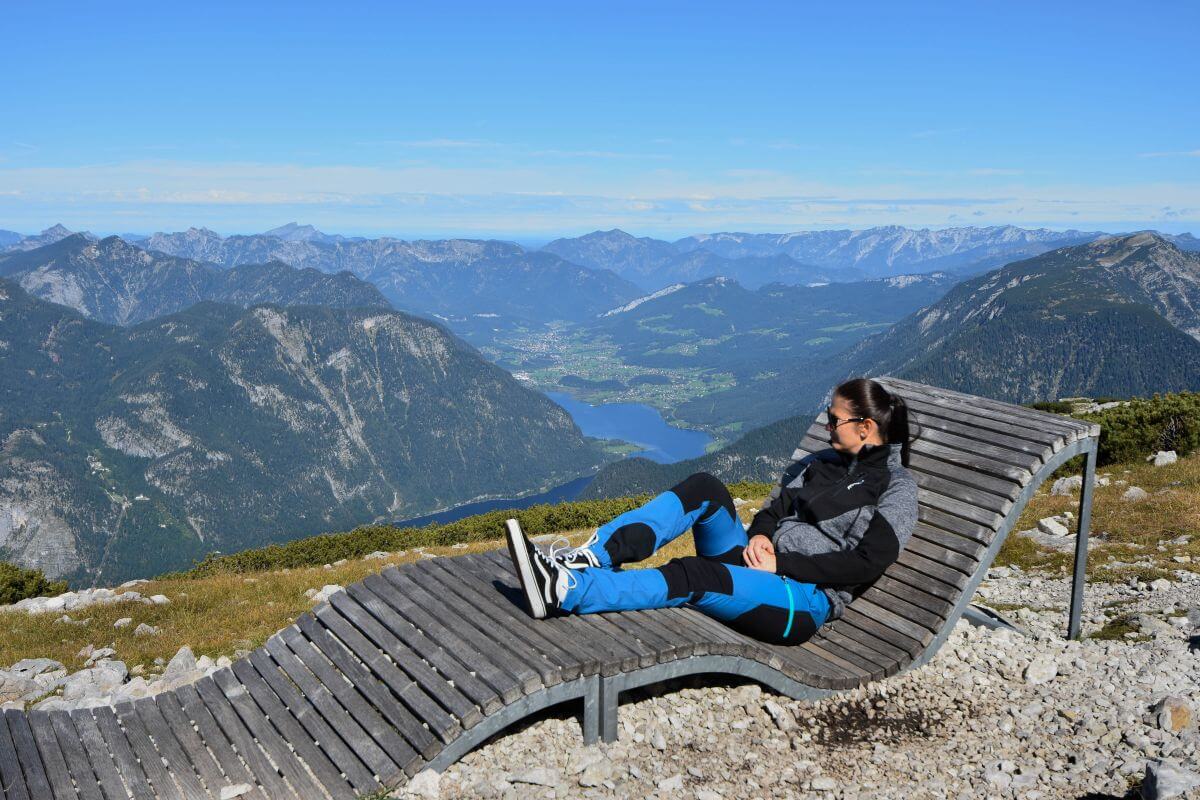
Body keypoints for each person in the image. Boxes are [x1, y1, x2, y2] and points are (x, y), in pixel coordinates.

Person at [505, 377, 920, 646]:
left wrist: (781, 565)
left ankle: (567, 592)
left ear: (864, 427)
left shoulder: (896, 489)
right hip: (759, 565)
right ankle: (589, 558)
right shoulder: (819, 464)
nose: (826, 427)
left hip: (801, 601)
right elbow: (773, 510)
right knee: (704, 487)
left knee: (693, 575)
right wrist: (759, 534)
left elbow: (865, 564)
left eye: (834, 421)